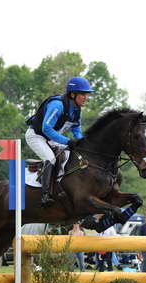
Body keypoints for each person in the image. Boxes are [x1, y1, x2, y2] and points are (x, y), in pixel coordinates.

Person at [25, 76, 93, 207]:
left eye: (87, 94)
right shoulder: (57, 105)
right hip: (36, 136)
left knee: (73, 156)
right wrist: (67, 141)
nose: (86, 97)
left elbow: (77, 131)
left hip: (51, 139)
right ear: (73, 94)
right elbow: (46, 128)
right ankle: (45, 195)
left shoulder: (77, 110)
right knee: (51, 158)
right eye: (83, 94)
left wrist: (81, 144)